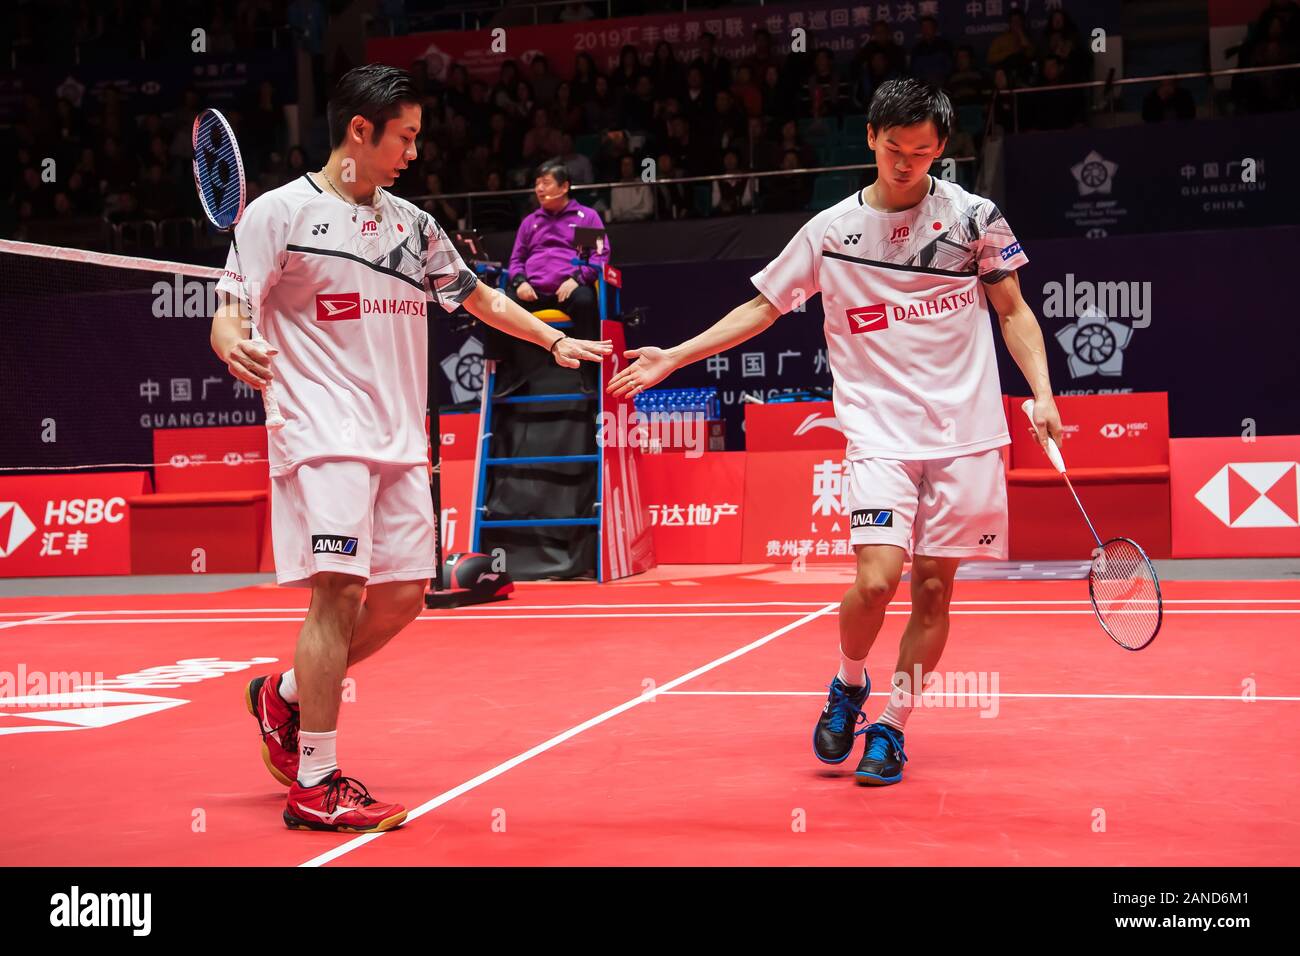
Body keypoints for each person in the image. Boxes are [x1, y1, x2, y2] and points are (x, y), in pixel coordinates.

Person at [607, 78, 1062, 787]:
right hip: (879, 432)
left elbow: (1014, 313)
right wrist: (675, 355)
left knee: (936, 591)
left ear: (941, 147)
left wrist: (1040, 394)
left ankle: (892, 727)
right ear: (872, 140)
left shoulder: (976, 219)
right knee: (877, 583)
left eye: (920, 151)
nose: (905, 163)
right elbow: (760, 310)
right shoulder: (831, 232)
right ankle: (850, 682)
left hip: (968, 434)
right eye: (892, 148)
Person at [212, 65, 610, 833]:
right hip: (322, 431)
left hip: (398, 439)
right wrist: (235, 346)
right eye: (405, 137)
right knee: (339, 592)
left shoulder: (413, 226)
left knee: (400, 599)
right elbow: (230, 309)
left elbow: (481, 297)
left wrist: (553, 338)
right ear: (359, 132)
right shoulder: (276, 214)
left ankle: (284, 696)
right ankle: (317, 782)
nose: (414, 153)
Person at [493, 159, 610, 395]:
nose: (539, 189)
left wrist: (577, 278)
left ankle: (589, 372)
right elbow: (516, 261)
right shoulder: (530, 222)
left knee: (586, 300)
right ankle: (510, 372)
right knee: (497, 305)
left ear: (564, 187)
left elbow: (598, 257)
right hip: (532, 291)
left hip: (568, 290)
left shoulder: (584, 217)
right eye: (537, 184)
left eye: (545, 183)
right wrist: (520, 282)